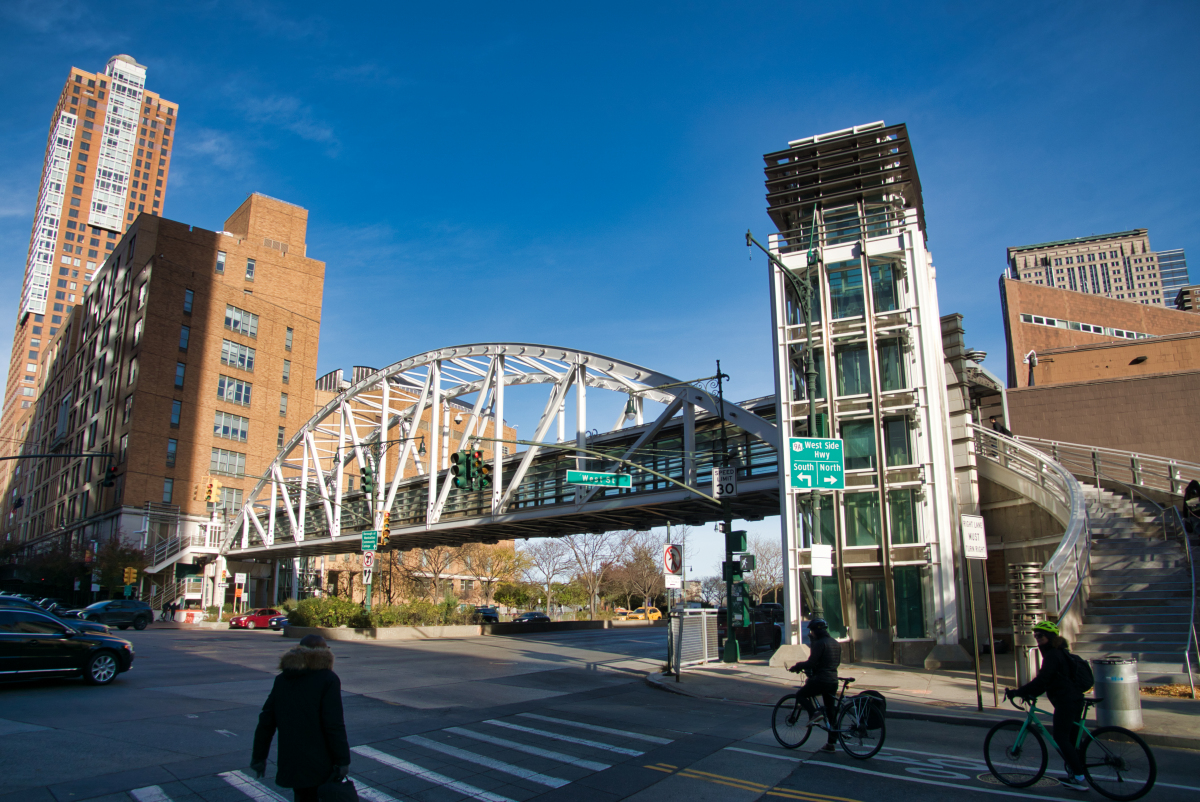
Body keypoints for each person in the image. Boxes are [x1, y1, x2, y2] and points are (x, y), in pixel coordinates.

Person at [251, 634, 351, 801]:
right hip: (321, 761)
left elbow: (266, 721)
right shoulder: (327, 679)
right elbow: (334, 724)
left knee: (302, 797)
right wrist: (343, 760)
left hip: (292, 760)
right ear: (324, 653)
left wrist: (259, 756)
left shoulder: (283, 679)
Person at [1008, 621, 1088, 792]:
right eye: (1035, 636)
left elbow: (1042, 680)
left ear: (1050, 637)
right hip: (1074, 699)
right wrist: (1029, 692)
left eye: (1040, 636)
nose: (1037, 639)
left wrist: (1018, 692)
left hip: (1066, 701)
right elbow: (1048, 681)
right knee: (1071, 741)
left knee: (1060, 737)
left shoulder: (1053, 656)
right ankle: (1075, 771)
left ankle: (1079, 776)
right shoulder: (1060, 653)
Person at [787, 617, 841, 753]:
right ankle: (831, 743)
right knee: (830, 711)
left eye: (811, 631)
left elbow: (811, 663)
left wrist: (798, 666)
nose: (811, 633)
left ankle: (814, 714)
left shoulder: (819, 644)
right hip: (833, 680)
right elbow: (836, 662)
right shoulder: (835, 643)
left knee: (800, 695)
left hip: (821, 680)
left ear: (816, 630)